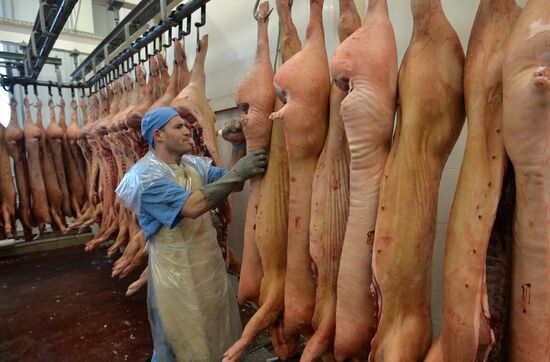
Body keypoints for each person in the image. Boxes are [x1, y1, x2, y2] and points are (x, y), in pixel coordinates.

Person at [115, 107, 267, 361]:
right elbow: (192, 206)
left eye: (186, 126)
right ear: (158, 135)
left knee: (217, 336)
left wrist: (238, 146)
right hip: (175, 275)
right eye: (178, 127)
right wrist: (241, 171)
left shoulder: (193, 166)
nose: (188, 131)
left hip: (208, 267)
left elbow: (232, 182)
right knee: (184, 344)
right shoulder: (145, 176)